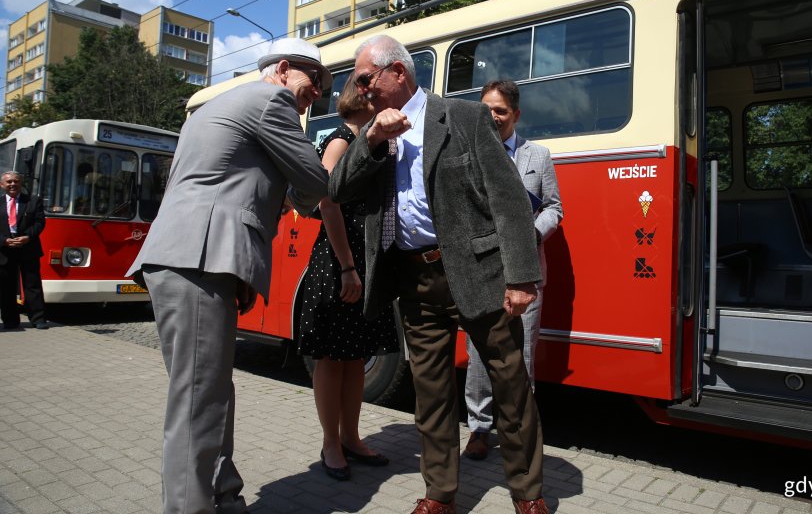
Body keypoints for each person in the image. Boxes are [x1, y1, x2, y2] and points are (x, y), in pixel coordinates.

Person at [330, 35, 548, 514]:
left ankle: (528, 494)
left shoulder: (465, 118)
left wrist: (520, 277)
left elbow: (510, 201)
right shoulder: (372, 132)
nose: (360, 89)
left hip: (479, 272)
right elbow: (337, 187)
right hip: (415, 281)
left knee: (510, 386)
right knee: (430, 393)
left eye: (365, 79)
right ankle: (440, 494)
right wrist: (371, 139)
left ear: (398, 73)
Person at [126, 37, 331, 514]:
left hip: (186, 256)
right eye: (310, 87)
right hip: (199, 258)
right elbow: (314, 183)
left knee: (208, 389)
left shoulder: (212, 109)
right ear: (283, 69)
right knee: (198, 399)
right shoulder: (270, 99)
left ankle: (223, 492)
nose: (311, 100)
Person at [299, 76, 399, 481]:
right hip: (340, 259)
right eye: (372, 95)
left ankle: (352, 438)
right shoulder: (341, 139)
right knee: (330, 356)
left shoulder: (368, 141)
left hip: (363, 257)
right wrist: (347, 266)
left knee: (355, 355)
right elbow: (328, 201)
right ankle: (330, 443)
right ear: (362, 100)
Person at [463, 80, 563, 461]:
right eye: (486, 108)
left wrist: (529, 234)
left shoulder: (538, 155)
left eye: (500, 110)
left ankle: (517, 430)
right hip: (482, 274)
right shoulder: (470, 155)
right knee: (478, 355)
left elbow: (555, 207)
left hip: (527, 275)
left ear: (515, 115)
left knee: (522, 358)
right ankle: (478, 429)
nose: (492, 116)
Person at [0, 171, 48, 330]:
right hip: (5, 250)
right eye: (9, 182)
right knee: (6, 287)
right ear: (2, 185)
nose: (12, 184)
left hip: (28, 248)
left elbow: (39, 222)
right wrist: (4, 240)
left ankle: (38, 319)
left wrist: (27, 237)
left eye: (16, 181)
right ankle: (10, 321)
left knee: (32, 284)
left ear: (21, 184)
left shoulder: (34, 201)